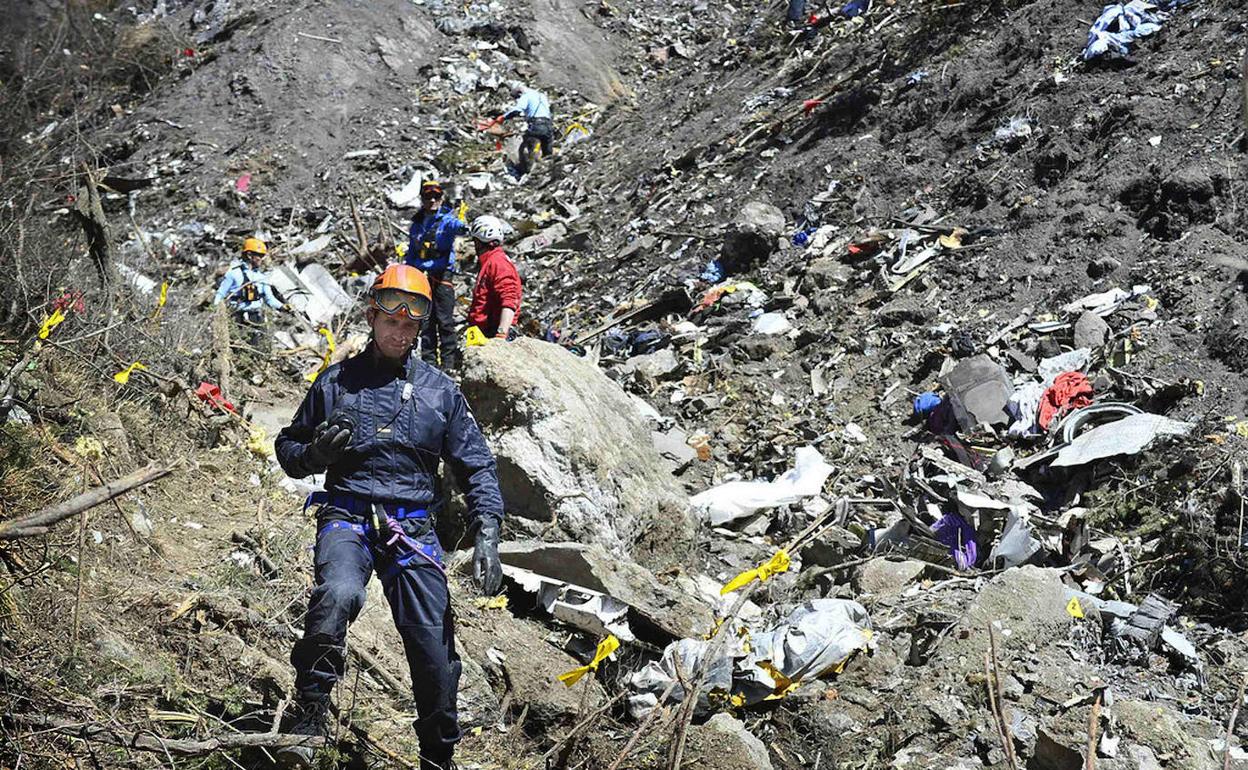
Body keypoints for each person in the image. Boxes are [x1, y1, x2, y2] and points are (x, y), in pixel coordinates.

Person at [273, 264, 504, 770]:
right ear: (373, 317)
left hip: (413, 528)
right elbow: (287, 446)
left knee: (432, 647)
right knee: (337, 595)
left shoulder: (441, 392)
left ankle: (437, 756)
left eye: (409, 324)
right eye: (390, 321)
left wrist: (488, 530)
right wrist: (313, 455)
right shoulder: (336, 381)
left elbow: (478, 465)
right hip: (347, 515)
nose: (399, 332)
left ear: (419, 327)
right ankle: (309, 716)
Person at [405, 180, 468, 370]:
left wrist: (464, 222)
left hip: (442, 276)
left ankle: (448, 365)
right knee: (426, 321)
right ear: (422, 199)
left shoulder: (447, 220)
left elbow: (459, 227)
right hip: (421, 277)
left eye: (436, 196)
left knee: (445, 321)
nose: (432, 200)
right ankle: (429, 364)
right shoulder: (416, 224)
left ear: (441, 198)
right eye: (427, 196)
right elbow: (411, 253)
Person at [465, 216, 522, 340]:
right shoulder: (490, 261)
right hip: (482, 332)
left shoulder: (497, 262)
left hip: (492, 331)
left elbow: (509, 297)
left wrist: (501, 333)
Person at [212, 237, 286, 324]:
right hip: (237, 318)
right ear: (249, 255)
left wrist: (283, 306)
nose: (262, 259)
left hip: (257, 318)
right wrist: (216, 313)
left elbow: (269, 299)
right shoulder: (234, 273)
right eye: (260, 255)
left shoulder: (262, 277)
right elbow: (220, 294)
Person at [501, 83, 553, 177]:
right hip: (548, 126)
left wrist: (503, 117)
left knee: (525, 148)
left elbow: (517, 110)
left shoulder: (526, 96)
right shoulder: (541, 95)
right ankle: (548, 172)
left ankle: (526, 172)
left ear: (519, 92)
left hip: (536, 125)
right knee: (548, 153)